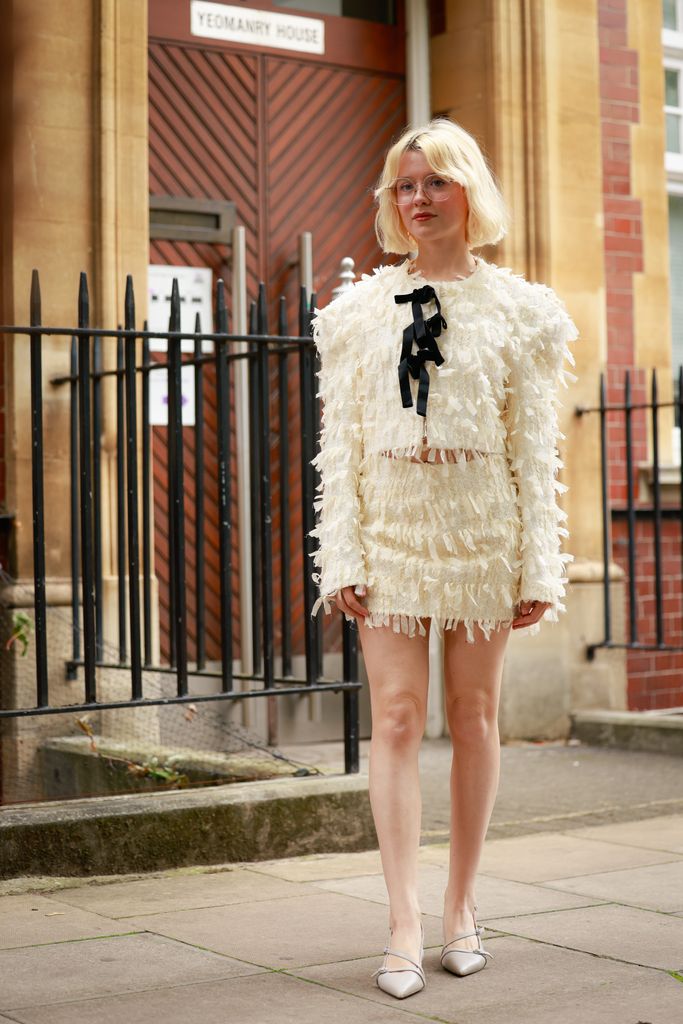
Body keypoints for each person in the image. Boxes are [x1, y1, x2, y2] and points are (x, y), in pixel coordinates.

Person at [308, 117, 579, 1000]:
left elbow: (533, 446)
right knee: (392, 718)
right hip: (387, 528)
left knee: (471, 716)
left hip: (480, 531)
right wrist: (340, 551)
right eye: (404, 186)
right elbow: (338, 444)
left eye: (434, 182)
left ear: (469, 191)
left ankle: (462, 909)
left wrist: (539, 565)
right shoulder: (352, 315)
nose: (418, 199)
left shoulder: (525, 312)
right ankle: (400, 922)